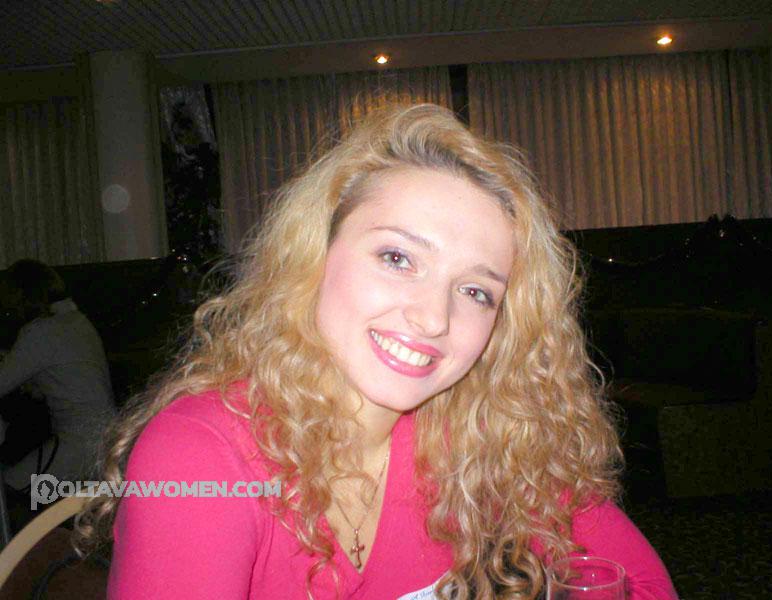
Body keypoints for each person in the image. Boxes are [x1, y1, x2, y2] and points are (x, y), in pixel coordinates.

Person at [78, 104, 678, 599]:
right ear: (314, 255)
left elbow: (641, 585)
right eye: (398, 258)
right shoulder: (202, 455)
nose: (433, 317)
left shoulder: (481, 435)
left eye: (476, 291)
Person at [0, 260, 116, 491]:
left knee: (12, 487)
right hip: (106, 435)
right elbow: (60, 375)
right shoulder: (78, 322)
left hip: (80, 440)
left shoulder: (41, 332)